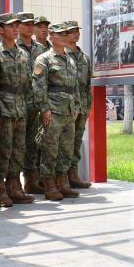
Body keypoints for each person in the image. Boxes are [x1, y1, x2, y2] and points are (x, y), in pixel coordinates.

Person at [32, 23, 79, 201]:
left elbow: (74, 87)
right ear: (51, 37)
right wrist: (44, 108)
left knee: (66, 148)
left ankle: (62, 182)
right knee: (50, 149)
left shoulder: (70, 59)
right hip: (53, 110)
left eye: (66, 34)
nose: (65, 37)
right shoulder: (43, 59)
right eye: (61, 34)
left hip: (68, 111)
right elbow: (39, 86)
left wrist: (76, 107)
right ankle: (49, 184)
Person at [0, 13, 33, 205]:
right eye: (11, 26)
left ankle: (15, 186)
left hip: (20, 108)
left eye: (17, 26)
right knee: (3, 150)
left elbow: (28, 84)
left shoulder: (23, 54)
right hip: (4, 108)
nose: (15, 29)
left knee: (18, 149)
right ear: (0, 30)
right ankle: (0, 188)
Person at [17, 13, 47, 195]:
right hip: (17, 103)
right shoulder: (13, 47)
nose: (29, 27)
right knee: (17, 143)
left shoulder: (40, 50)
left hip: (35, 102)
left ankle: (31, 180)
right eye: (25, 24)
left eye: (31, 24)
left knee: (33, 143)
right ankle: (13, 182)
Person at [64, 21, 92, 188]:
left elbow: (87, 84)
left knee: (76, 140)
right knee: (64, 141)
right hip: (66, 104)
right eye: (71, 31)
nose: (76, 34)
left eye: (77, 31)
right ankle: (61, 175)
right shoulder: (62, 55)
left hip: (81, 104)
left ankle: (73, 173)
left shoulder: (84, 57)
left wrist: (88, 106)